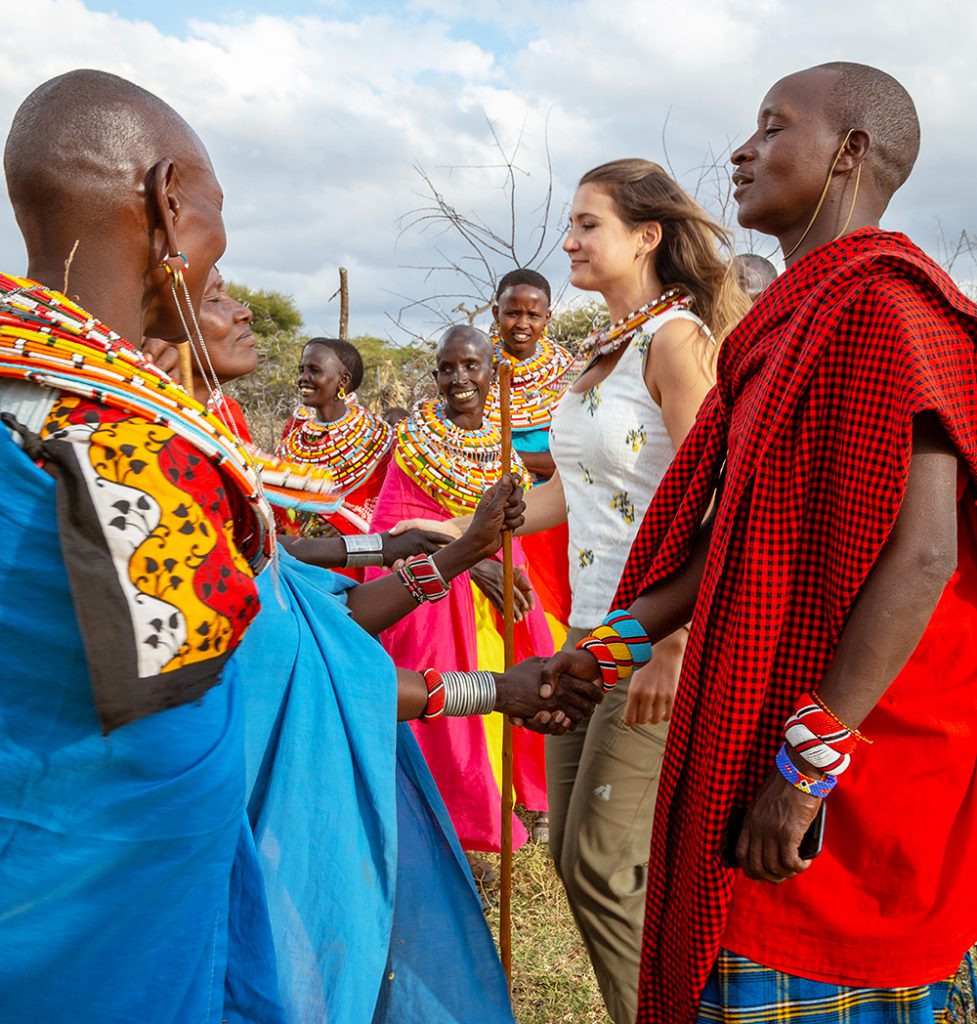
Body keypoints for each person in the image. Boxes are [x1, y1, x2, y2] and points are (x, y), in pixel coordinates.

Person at [0, 70, 600, 1024]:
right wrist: (495, 684)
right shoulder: (139, 458)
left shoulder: (45, 411)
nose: (220, 269)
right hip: (141, 952)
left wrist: (426, 555)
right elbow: (292, 665)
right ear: (167, 203)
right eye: (217, 218)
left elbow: (287, 608)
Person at [545, 62, 977, 1024]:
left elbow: (924, 557)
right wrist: (604, 651)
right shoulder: (774, 328)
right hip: (760, 722)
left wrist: (806, 766)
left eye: (772, 128)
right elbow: (733, 545)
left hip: (856, 751)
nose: (740, 151)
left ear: (849, 153)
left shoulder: (894, 312)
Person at [515, 159, 747, 1023]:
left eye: (587, 225)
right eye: (571, 226)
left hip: (650, 634)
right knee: (575, 862)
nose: (568, 242)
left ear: (646, 236)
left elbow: (718, 498)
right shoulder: (602, 350)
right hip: (586, 628)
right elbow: (572, 496)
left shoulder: (676, 343)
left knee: (605, 863)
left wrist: (674, 645)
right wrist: (466, 535)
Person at [370, 325, 555, 853]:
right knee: (442, 659)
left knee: (534, 647)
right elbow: (396, 531)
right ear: (436, 375)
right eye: (448, 368)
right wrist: (472, 565)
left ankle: (535, 794)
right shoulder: (413, 442)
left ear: (492, 372)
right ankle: (466, 810)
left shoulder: (503, 441)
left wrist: (499, 563)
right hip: (435, 578)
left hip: (499, 570)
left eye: (471, 366)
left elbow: (520, 521)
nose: (460, 379)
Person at [486, 268, 576, 657]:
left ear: (548, 318)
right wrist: (536, 462)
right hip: (493, 517)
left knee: (557, 618)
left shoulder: (570, 374)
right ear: (496, 312)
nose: (522, 324)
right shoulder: (473, 367)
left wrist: (507, 457)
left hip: (556, 520)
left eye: (533, 315)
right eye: (512, 313)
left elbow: (573, 458)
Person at [276, 336, 394, 544]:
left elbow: (389, 505)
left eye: (314, 370)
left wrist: (344, 527)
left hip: (354, 556)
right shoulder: (293, 437)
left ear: (343, 380)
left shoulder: (378, 438)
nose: (303, 378)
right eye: (301, 369)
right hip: (295, 550)